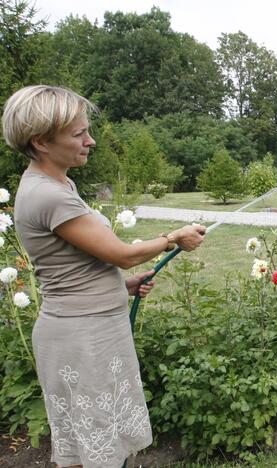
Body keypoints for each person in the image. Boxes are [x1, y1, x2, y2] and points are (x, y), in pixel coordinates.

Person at [2, 85, 206, 468]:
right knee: (90, 444)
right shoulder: (49, 195)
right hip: (81, 337)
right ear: (41, 141)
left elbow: (72, 264)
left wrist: (119, 287)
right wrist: (172, 237)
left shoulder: (59, 184)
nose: (90, 141)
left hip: (91, 326)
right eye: (79, 134)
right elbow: (122, 255)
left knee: (95, 440)